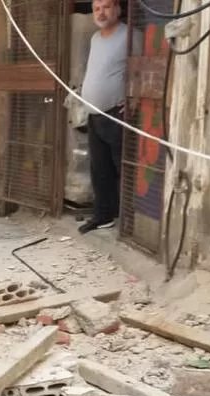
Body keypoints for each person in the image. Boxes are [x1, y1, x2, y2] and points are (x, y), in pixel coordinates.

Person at [79, 0, 128, 234]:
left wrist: (132, 97)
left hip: (115, 114)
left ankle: (129, 220)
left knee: (122, 168)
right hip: (94, 114)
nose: (101, 13)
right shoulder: (95, 39)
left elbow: (142, 66)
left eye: (106, 7)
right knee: (99, 169)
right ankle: (103, 216)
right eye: (96, 8)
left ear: (118, 9)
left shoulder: (129, 35)